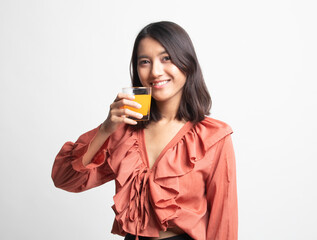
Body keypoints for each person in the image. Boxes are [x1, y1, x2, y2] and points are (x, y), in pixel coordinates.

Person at [52, 21, 238, 240]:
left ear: (187, 62)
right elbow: (64, 178)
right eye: (144, 62)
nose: (155, 71)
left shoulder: (213, 136)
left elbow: (223, 221)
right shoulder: (124, 133)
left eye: (166, 58)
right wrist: (105, 129)